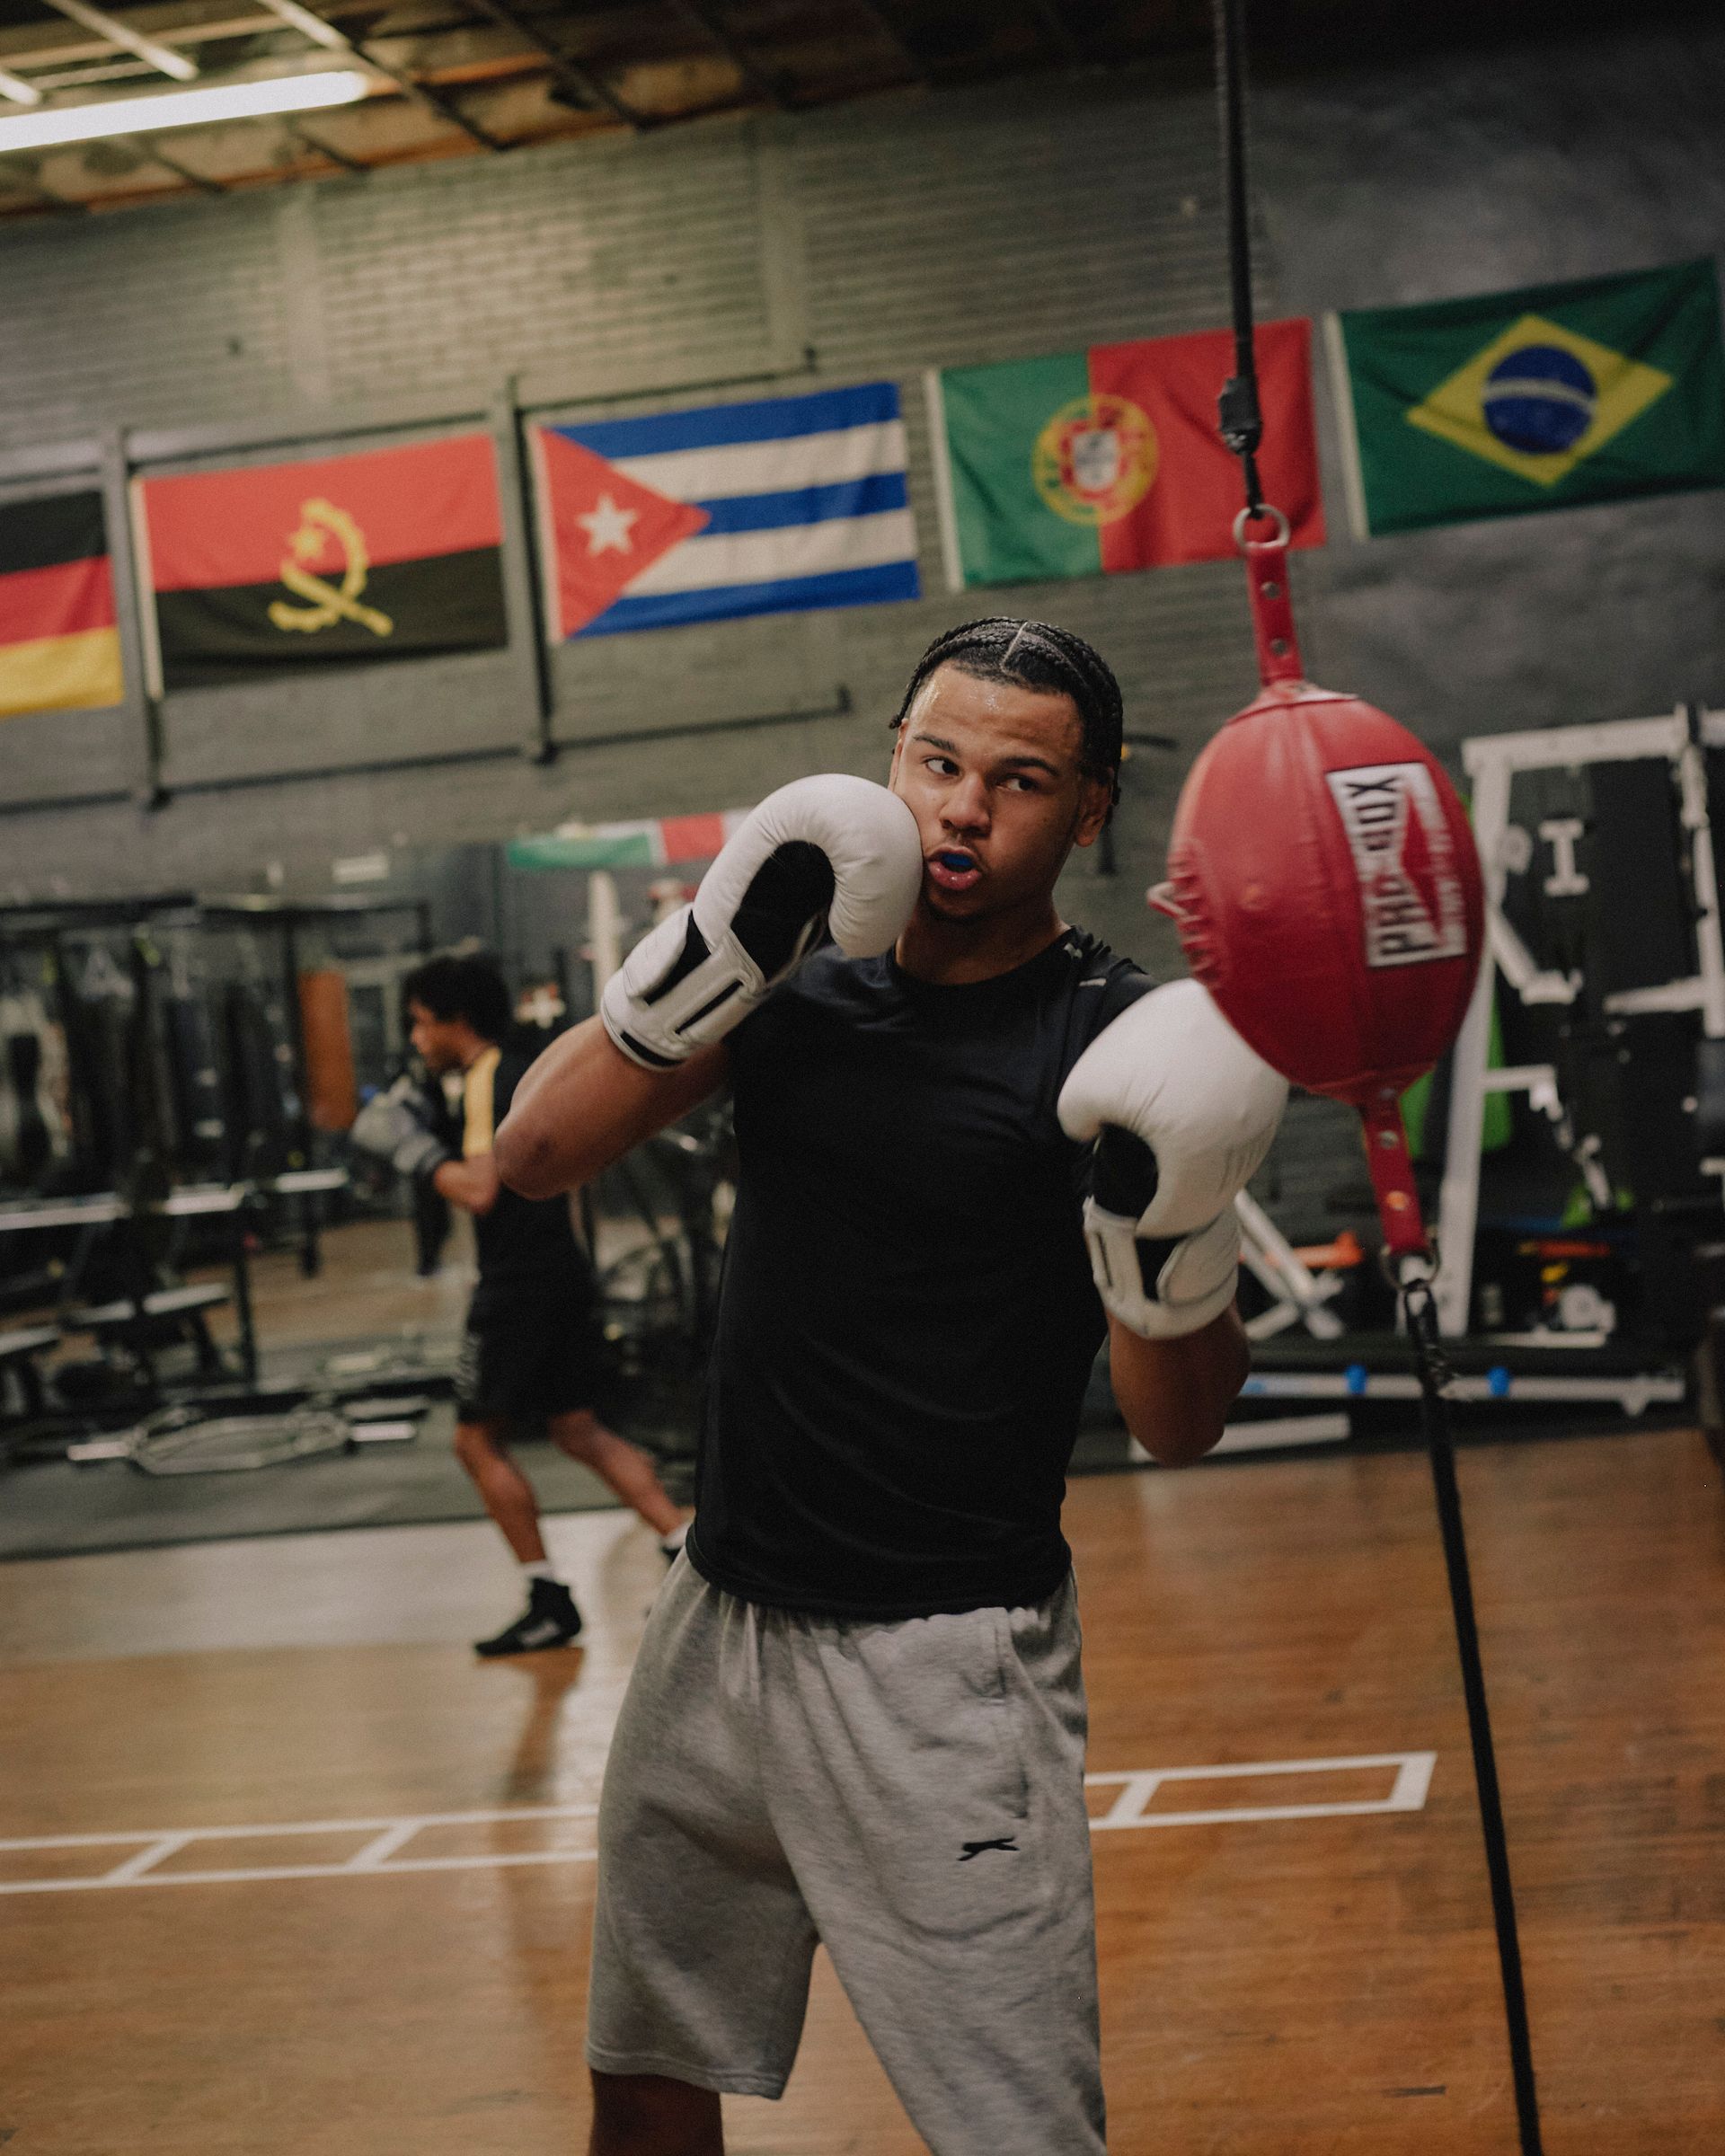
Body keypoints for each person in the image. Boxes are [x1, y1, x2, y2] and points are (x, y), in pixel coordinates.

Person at [495, 620, 1287, 2154]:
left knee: (1017, 2135)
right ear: (892, 764)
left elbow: (1180, 1426)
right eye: (937, 762)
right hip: (716, 1620)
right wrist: (708, 958)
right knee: (645, 2079)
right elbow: (532, 1156)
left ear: (1091, 808)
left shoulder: (1115, 1036)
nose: (963, 808)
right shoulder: (793, 981)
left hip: (943, 1670)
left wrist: (1169, 1242)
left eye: (1020, 780)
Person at [353, 951, 691, 1657]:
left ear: (455, 1020)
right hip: (559, 1271)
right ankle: (685, 1550)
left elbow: (481, 1190)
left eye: (421, 1023)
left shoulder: (486, 1078)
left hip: (517, 1285)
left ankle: (547, 1600)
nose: (416, 1039)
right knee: (577, 1429)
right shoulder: (521, 1070)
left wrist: (414, 1152)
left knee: (474, 1440)